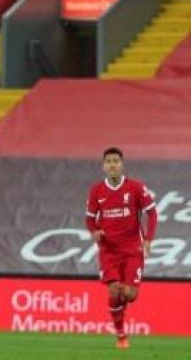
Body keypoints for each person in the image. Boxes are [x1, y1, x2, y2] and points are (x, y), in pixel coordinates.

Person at [85, 147, 157, 349]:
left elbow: (152, 213)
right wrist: (95, 232)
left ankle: (121, 307)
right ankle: (121, 334)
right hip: (108, 250)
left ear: (122, 164)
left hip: (133, 249)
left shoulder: (135, 188)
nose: (112, 165)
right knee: (114, 288)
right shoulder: (96, 190)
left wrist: (148, 239)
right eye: (108, 161)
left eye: (116, 161)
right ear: (103, 166)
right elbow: (90, 220)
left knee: (130, 294)